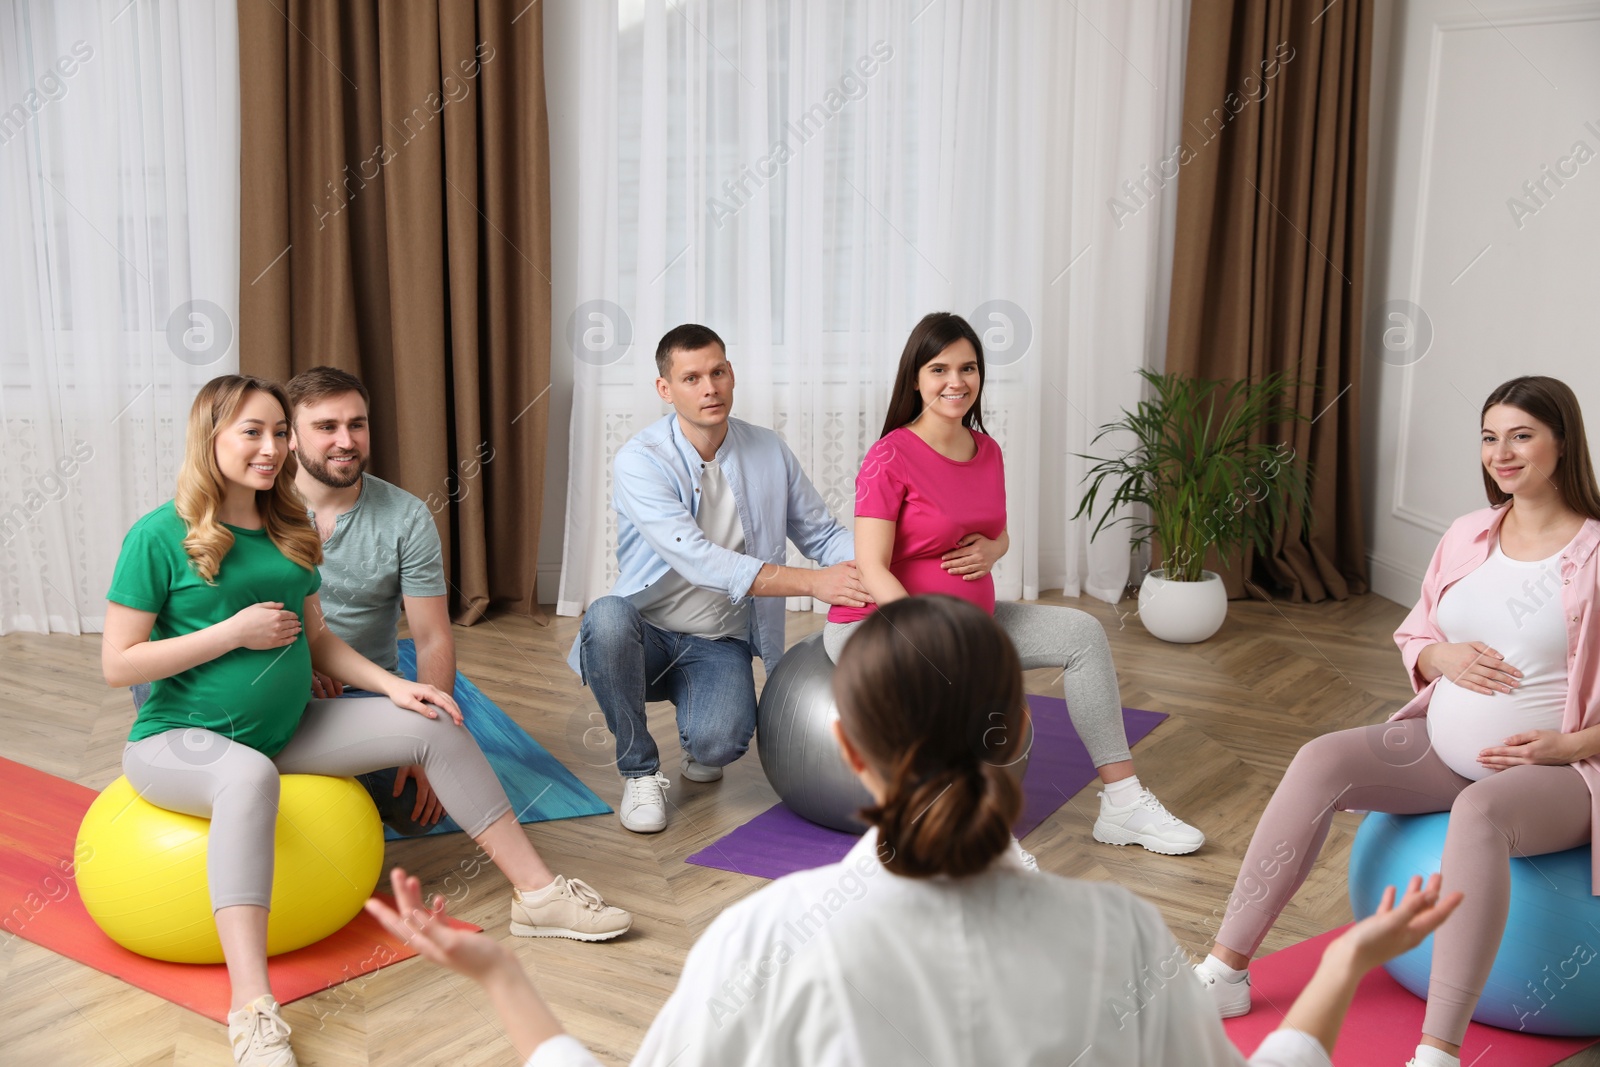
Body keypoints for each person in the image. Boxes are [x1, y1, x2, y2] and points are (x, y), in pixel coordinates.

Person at [370, 595, 1462, 1067]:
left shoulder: (772, 934)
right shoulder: (1119, 934)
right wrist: (1351, 956)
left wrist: (506, 981)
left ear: (846, 749)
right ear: (1027, 739)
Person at [102, 376, 631, 1067]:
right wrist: (232, 631)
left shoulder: (286, 524)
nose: (272, 448)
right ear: (211, 439)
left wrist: (396, 687)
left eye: (277, 433)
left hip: (288, 726)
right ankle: (253, 1008)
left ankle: (538, 897)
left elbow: (319, 641)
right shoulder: (158, 533)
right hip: (179, 741)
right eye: (252, 432)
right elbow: (118, 664)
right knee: (247, 776)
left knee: (437, 722)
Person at [1193, 375, 1600, 1067]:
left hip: (1558, 770)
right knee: (1322, 757)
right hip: (1442, 748)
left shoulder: (1593, 554)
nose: (1501, 453)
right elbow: (1418, 633)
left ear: (1563, 442)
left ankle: (1438, 1051)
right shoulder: (1469, 533)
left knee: (1479, 814)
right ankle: (1225, 971)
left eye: (1522, 435)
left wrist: (1570, 743)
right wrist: (1440, 652)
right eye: (1490, 437)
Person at [822, 311, 1203, 855]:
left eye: (968, 368)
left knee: (1083, 634)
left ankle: (1122, 804)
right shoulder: (890, 456)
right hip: (884, 624)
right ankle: (986, 841)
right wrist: (931, 636)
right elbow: (873, 565)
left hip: (972, 622)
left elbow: (997, 536)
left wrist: (993, 549)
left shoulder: (987, 450)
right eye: (939, 369)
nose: (957, 382)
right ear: (915, 379)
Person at [568, 323, 872, 833]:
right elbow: (697, 558)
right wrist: (815, 583)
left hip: (718, 641)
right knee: (607, 618)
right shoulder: (640, 461)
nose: (709, 388)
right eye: (691, 378)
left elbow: (822, 535)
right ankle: (639, 770)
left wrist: (886, 566)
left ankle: (699, 733)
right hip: (644, 636)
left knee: (720, 744)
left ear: (731, 375)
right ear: (665, 390)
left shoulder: (768, 450)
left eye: (718, 372)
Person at [287, 365, 455, 835]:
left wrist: (430, 741)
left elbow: (432, 638)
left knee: (412, 812)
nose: (346, 440)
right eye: (326, 427)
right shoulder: (256, 505)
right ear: (291, 438)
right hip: (275, 682)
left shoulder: (406, 515)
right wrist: (300, 669)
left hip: (364, 691)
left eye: (356, 424)